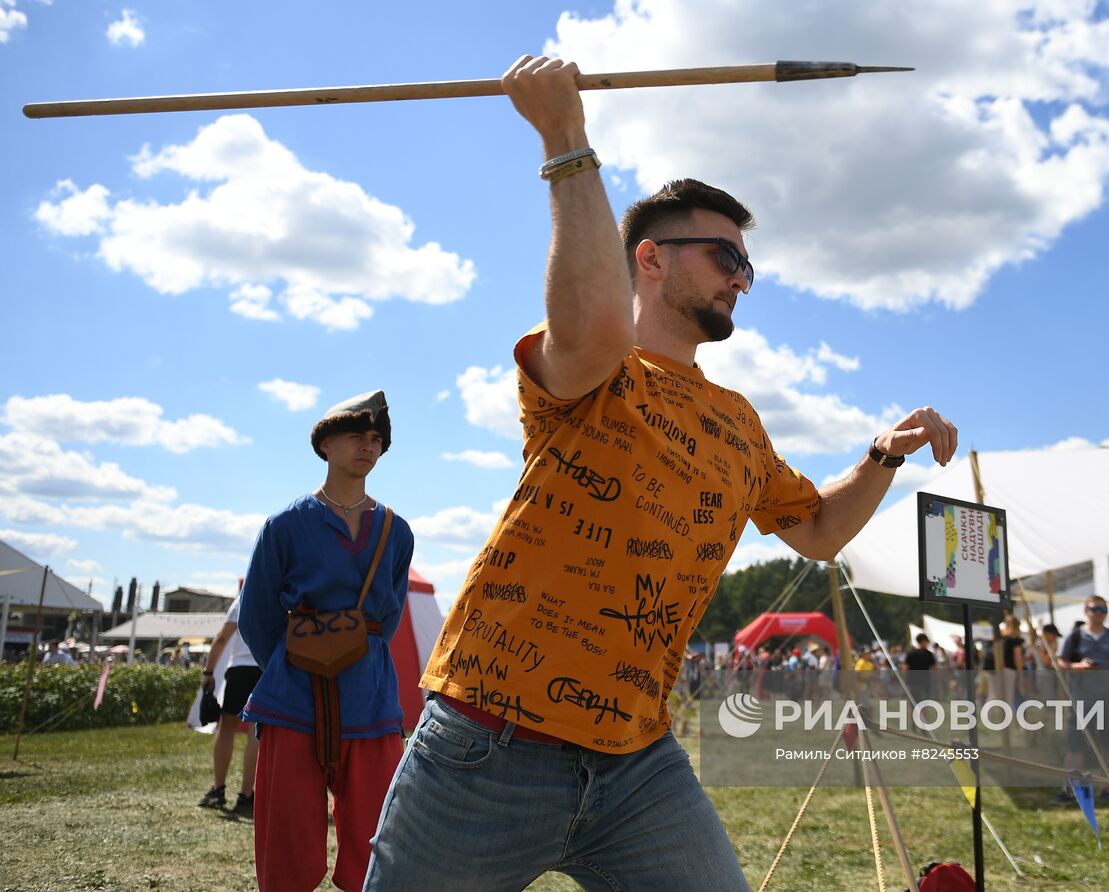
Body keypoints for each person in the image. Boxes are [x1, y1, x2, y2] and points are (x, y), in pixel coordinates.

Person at [362, 54, 958, 892]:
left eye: (747, 265)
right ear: (649, 259)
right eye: (724, 256)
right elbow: (598, 328)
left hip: (637, 763)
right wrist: (566, 136)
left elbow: (819, 531)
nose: (742, 278)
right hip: (486, 744)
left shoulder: (738, 422)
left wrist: (883, 456)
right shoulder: (595, 370)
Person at [238, 391, 414, 892]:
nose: (369, 446)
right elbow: (257, 616)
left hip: (370, 698)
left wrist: (350, 653)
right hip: (292, 698)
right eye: (358, 436)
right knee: (287, 842)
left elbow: (391, 618)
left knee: (377, 839)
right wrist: (300, 659)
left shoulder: (396, 531)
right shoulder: (285, 525)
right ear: (326, 443)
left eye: (377, 439)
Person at [1053, 595, 1109, 804]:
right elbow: (1061, 662)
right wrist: (1077, 666)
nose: (1099, 613)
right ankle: (1070, 789)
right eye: (1094, 609)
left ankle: (1106, 788)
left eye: (1102, 609)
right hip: (1083, 699)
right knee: (1076, 745)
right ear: (1085, 611)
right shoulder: (1074, 637)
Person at [197, 592, 262, 816]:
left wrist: (208, 671)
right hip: (266, 667)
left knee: (227, 728)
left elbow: (222, 637)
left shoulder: (243, 598)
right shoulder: (281, 591)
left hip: (240, 668)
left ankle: (218, 789)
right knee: (257, 731)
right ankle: (246, 795)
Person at [904, 633, 937, 701]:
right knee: (924, 703)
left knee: (914, 702)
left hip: (912, 681)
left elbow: (905, 668)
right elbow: (934, 668)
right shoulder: (928, 654)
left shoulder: (910, 653)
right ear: (923, 641)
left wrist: (905, 680)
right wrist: (937, 681)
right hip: (925, 681)